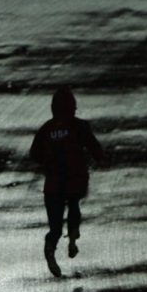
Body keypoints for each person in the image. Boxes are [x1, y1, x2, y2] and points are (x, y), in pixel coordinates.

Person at [29, 87, 104, 277]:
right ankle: (72, 239)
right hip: (74, 177)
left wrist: (48, 163)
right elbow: (94, 148)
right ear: (72, 107)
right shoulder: (79, 126)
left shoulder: (46, 129)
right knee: (74, 204)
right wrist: (101, 159)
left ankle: (51, 247)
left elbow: (34, 154)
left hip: (53, 182)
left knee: (55, 225)